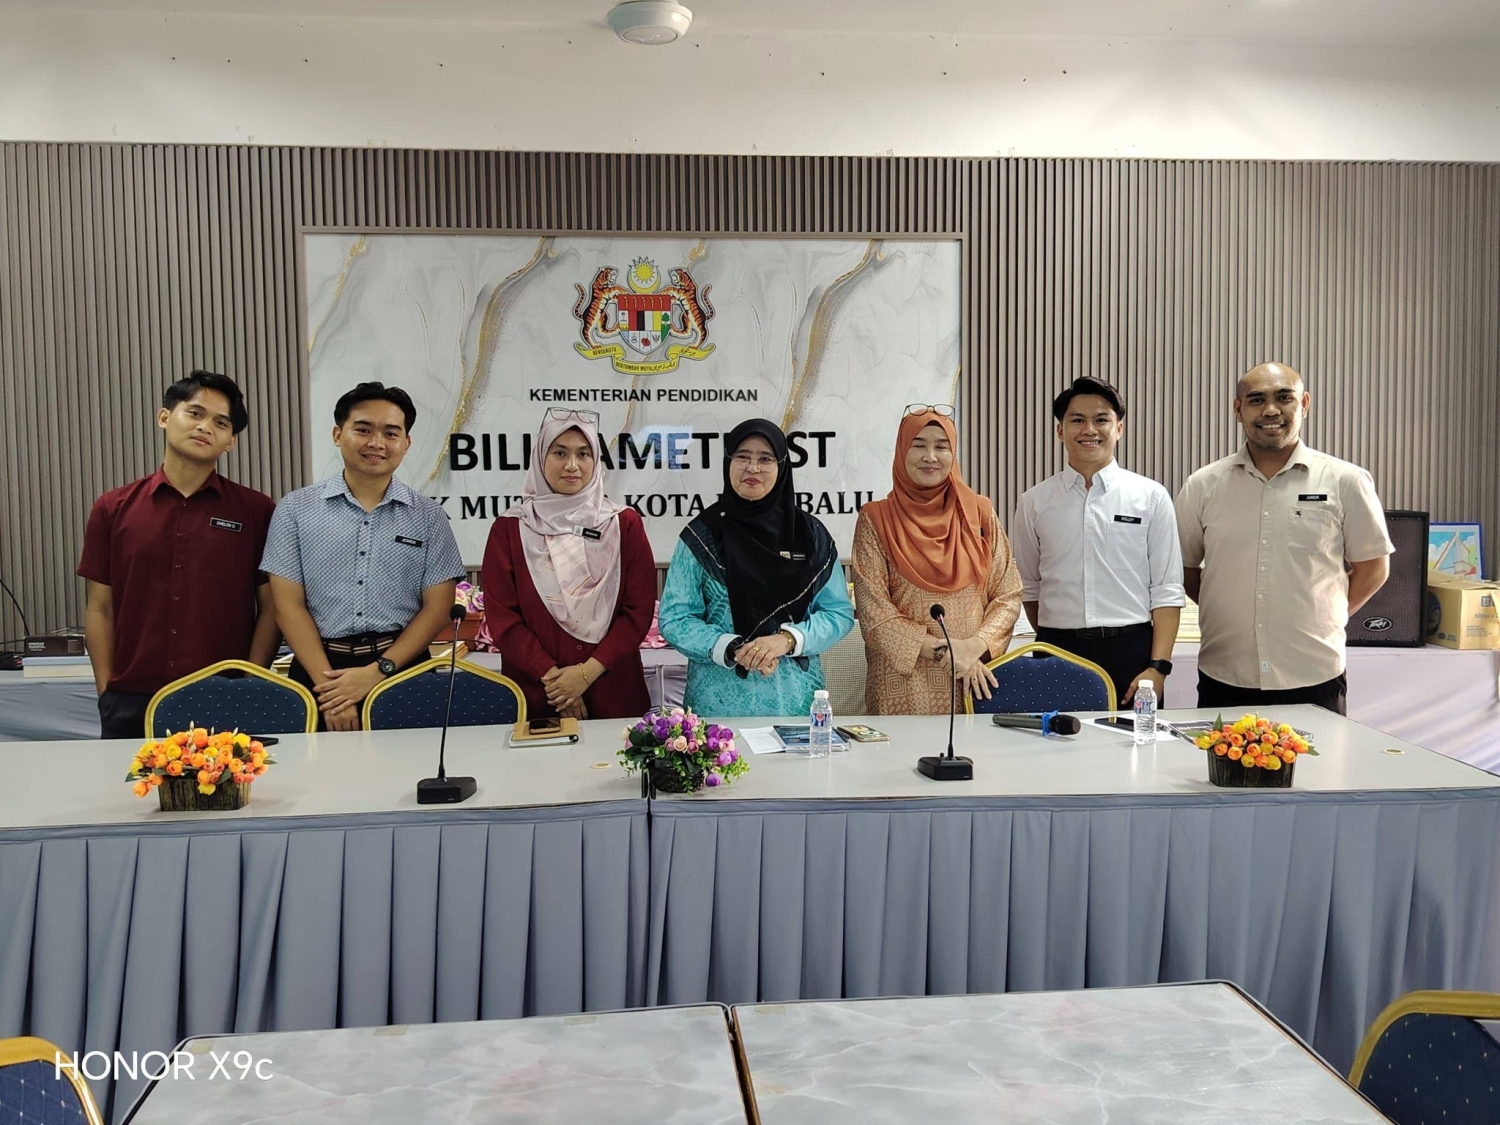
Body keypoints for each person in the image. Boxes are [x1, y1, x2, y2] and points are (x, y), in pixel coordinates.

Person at [1176, 362, 1392, 715]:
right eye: (1256, 400)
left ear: (1304, 404)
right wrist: (1230, 607)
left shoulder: (1347, 482)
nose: (1270, 410)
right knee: (1223, 756)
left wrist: (1324, 614)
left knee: (1320, 756)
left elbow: (1373, 568)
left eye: (1284, 398)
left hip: (1313, 672)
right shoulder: (1203, 485)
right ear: (1238, 409)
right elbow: (1184, 569)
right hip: (1226, 672)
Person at [79, 370, 279, 739]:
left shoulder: (256, 511)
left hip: (225, 696)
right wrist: (106, 690)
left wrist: (251, 681)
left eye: (221, 423)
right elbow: (99, 608)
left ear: (231, 441)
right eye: (195, 413)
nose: (205, 427)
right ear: (164, 417)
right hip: (131, 698)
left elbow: (270, 607)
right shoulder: (113, 508)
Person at [262, 382, 466, 730]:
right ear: (338, 434)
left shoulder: (428, 516)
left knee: (411, 763)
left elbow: (438, 608)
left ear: (406, 443)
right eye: (363, 430)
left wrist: (378, 671)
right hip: (318, 672)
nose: (377, 443)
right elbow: (287, 606)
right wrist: (332, 691)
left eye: (391, 433)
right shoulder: (295, 509)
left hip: (403, 670)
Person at [658, 418, 853, 717]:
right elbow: (675, 618)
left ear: (782, 466)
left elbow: (837, 613)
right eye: (742, 456)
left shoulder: (810, 536)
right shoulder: (701, 536)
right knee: (721, 751)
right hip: (717, 706)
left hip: (795, 701)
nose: (752, 468)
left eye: (765, 459)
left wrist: (787, 640)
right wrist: (731, 647)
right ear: (728, 462)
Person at [1012, 378, 1184, 707]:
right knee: (1053, 739)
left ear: (1119, 429)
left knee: (1134, 740)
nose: (1089, 429)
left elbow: (1167, 589)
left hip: (1131, 653)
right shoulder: (1034, 502)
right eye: (1077, 420)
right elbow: (1030, 587)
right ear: (1060, 430)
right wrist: (1059, 631)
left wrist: (1158, 667)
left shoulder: (1150, 497)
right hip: (1057, 652)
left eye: (1101, 419)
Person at [480, 409, 655, 721]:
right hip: (538, 695)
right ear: (540, 457)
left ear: (596, 459)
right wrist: (556, 682)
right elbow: (503, 618)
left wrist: (584, 675)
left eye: (583, 453)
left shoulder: (623, 524)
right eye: (560, 452)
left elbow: (637, 611)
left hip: (614, 691)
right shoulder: (510, 528)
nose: (572, 465)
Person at [853, 405, 1022, 714]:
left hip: (972, 678)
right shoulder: (876, 519)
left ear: (953, 454)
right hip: (904, 686)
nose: (930, 456)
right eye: (918, 445)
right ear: (901, 452)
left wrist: (973, 648)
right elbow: (874, 612)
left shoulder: (979, 513)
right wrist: (948, 653)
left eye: (941, 447)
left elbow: (1008, 593)